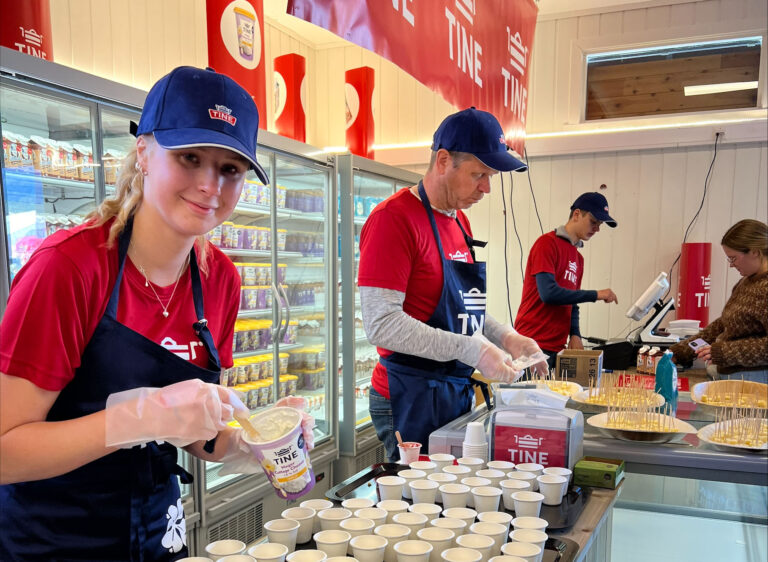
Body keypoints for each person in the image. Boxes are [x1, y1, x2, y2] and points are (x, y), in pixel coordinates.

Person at [0, 66, 313, 560]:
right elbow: (5, 450)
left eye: (230, 168)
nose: (210, 186)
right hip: (52, 538)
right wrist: (133, 419)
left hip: (158, 529)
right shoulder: (68, 269)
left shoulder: (219, 281)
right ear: (144, 152)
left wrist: (254, 441)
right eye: (190, 157)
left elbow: (201, 438)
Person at [358, 107, 548, 462]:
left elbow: (462, 306)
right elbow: (381, 325)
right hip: (408, 395)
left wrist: (506, 337)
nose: (487, 188)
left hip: (452, 390)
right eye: (479, 174)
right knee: (421, 504)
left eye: (490, 176)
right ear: (443, 161)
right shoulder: (393, 220)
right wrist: (473, 351)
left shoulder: (460, 222)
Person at [514, 192, 619, 370]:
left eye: (599, 225)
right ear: (577, 214)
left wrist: (575, 334)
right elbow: (549, 293)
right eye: (593, 222)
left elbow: (573, 302)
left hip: (557, 348)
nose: (597, 229)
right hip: (531, 345)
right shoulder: (547, 244)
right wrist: (596, 295)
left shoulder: (578, 259)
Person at [670, 219, 768, 382]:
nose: (731, 265)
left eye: (733, 258)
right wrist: (681, 351)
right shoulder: (747, 281)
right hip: (732, 375)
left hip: (754, 380)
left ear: (755, 252)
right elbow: (723, 323)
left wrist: (724, 352)